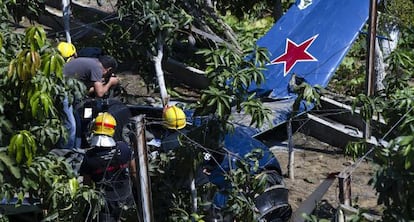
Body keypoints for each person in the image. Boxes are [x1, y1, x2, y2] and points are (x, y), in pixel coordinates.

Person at [79, 112, 137, 222]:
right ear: (112, 130)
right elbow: (134, 173)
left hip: (104, 204)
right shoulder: (124, 148)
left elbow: (87, 186)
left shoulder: (89, 157)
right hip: (126, 198)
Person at [58, 54, 120, 149]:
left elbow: (84, 90)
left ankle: (76, 150)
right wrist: (110, 82)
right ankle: (65, 153)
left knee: (77, 125)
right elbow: (100, 94)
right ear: (108, 69)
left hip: (67, 92)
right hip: (61, 92)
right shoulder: (97, 68)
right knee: (70, 125)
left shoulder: (92, 63)